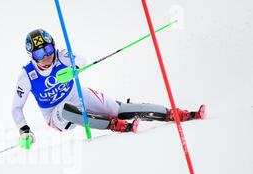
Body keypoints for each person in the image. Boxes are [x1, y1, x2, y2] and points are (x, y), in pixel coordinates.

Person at [11, 29, 205, 148]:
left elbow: (81, 59)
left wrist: (73, 69)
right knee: (65, 110)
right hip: (55, 114)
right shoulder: (27, 76)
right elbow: (16, 108)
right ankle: (113, 125)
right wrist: (24, 130)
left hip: (77, 95)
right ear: (32, 55)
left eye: (48, 49)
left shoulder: (61, 56)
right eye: (39, 52)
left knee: (118, 109)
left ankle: (171, 113)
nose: (45, 55)